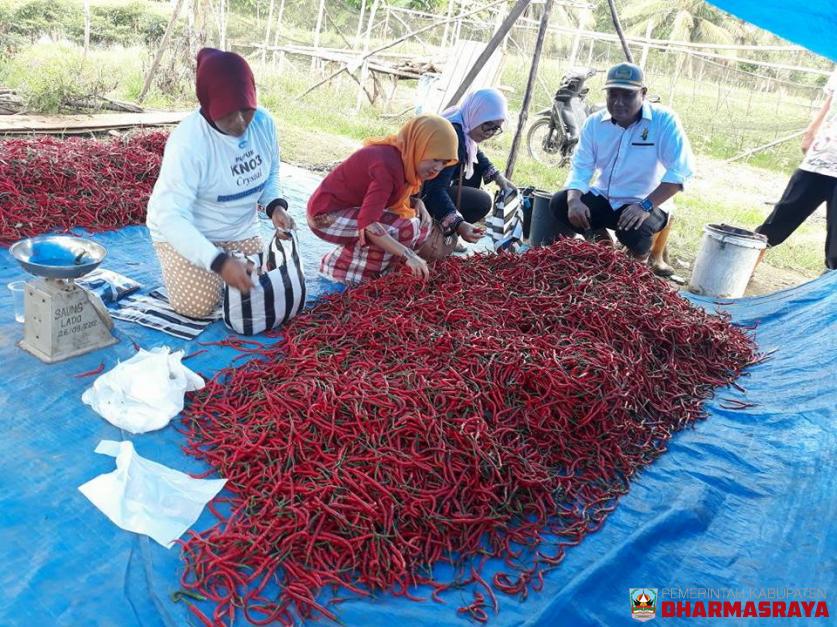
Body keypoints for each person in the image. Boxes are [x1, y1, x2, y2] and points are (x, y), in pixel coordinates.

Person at [147, 48, 294, 318]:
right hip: (192, 231)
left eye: (246, 110)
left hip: (240, 230)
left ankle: (217, 267)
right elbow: (170, 217)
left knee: (261, 292)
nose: (240, 123)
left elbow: (271, 172)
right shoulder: (189, 142)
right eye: (227, 115)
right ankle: (176, 260)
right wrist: (218, 262)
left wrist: (275, 207)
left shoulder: (264, 123)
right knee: (199, 306)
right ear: (208, 106)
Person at [548, 63, 695, 260]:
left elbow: (680, 172)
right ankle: (605, 249)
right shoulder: (595, 123)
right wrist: (574, 200)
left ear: (642, 93)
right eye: (613, 94)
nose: (619, 102)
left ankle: (638, 262)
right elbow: (581, 166)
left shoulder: (663, 121)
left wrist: (645, 206)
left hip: (646, 202)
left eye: (627, 95)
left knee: (634, 231)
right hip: (606, 197)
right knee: (561, 203)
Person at [307, 114, 458, 284]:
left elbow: (389, 198)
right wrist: (408, 255)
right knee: (404, 228)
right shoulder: (387, 166)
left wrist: (418, 203)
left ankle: (370, 267)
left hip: (351, 210)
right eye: (435, 158)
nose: (438, 167)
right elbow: (368, 223)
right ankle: (339, 270)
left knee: (421, 224)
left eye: (444, 163)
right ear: (419, 145)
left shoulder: (405, 157)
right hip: (325, 216)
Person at [755, 69, 837, 270]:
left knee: (836, 245)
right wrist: (810, 132)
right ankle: (741, 270)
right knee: (780, 217)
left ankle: (830, 297)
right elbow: (830, 101)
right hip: (820, 157)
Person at [421, 88, 514, 249]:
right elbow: (434, 189)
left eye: (495, 128)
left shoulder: (461, 119)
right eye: (487, 125)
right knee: (482, 201)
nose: (490, 133)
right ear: (476, 115)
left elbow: (475, 153)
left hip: (427, 186)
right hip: (419, 192)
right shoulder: (454, 135)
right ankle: (436, 232)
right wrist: (459, 224)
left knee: (474, 173)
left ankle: (442, 229)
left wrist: (498, 177)